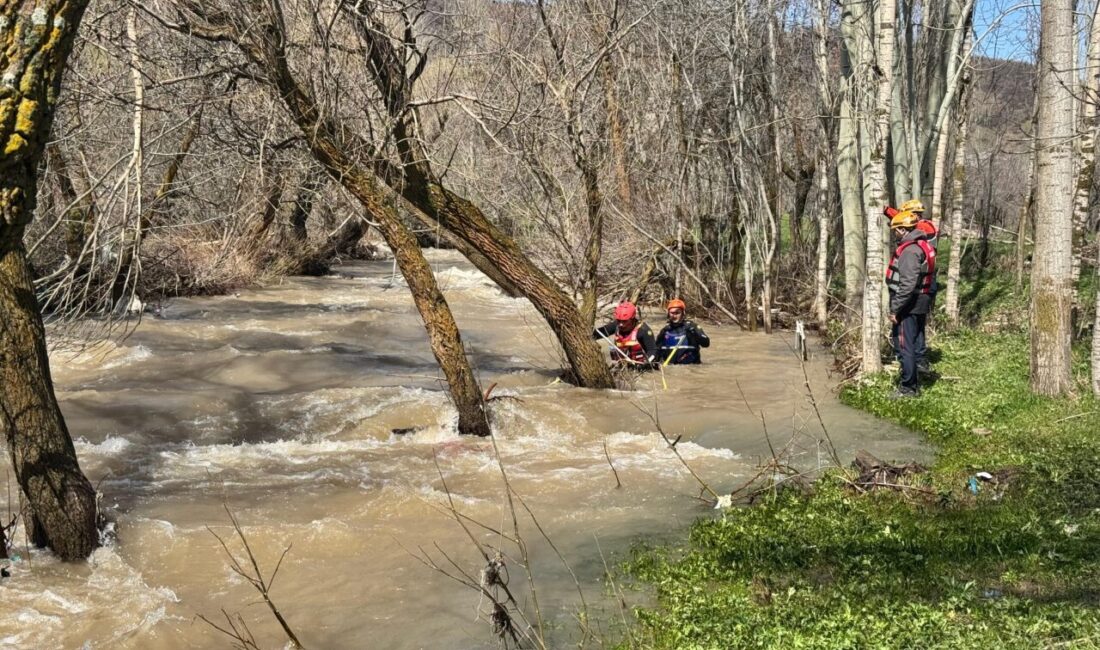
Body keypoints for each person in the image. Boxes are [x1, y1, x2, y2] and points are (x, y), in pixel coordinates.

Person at [885, 210, 937, 398]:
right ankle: (914, 376)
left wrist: (895, 308)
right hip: (920, 300)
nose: (895, 233)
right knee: (914, 342)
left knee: (904, 345)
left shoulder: (909, 251)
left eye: (896, 230)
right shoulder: (923, 244)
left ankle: (908, 387)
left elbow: (907, 284)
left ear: (903, 229)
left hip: (909, 304)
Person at [593, 301, 658, 367]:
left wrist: (645, 363)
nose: (621, 324)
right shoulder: (616, 325)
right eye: (619, 320)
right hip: (621, 367)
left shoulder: (643, 330)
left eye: (625, 321)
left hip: (640, 367)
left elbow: (653, 351)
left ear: (632, 319)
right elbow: (598, 333)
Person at [656, 299, 710, 364]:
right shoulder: (665, 331)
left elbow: (706, 344)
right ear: (668, 314)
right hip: (671, 367)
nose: (674, 315)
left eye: (677, 313)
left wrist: (694, 332)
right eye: (672, 313)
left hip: (691, 367)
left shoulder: (692, 327)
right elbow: (656, 351)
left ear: (683, 313)